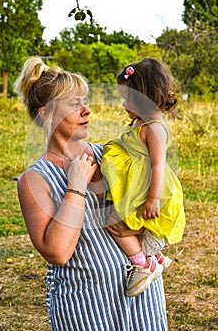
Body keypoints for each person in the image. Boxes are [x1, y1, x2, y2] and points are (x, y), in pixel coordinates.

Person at [14, 56, 169, 331]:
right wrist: (75, 187)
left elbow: (155, 192)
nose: (87, 111)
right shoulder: (35, 180)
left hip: (143, 301)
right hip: (88, 310)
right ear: (46, 114)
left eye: (85, 102)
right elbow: (58, 252)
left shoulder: (110, 153)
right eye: (75, 104)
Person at [101, 57, 185, 297]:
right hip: (138, 187)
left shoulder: (154, 126)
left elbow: (159, 165)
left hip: (148, 190)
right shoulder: (142, 122)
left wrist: (153, 199)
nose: (122, 103)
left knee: (114, 222)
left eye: (126, 98)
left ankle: (142, 263)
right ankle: (155, 257)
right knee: (119, 222)